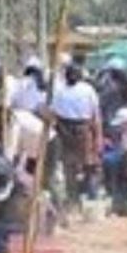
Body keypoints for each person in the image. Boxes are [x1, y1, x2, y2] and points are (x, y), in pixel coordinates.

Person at [49, 62, 103, 204]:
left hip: (66, 129)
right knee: (88, 165)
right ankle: (90, 198)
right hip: (81, 129)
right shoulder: (87, 90)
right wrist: (98, 136)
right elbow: (95, 116)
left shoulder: (60, 91)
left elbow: (53, 114)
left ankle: (76, 199)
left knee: (71, 167)